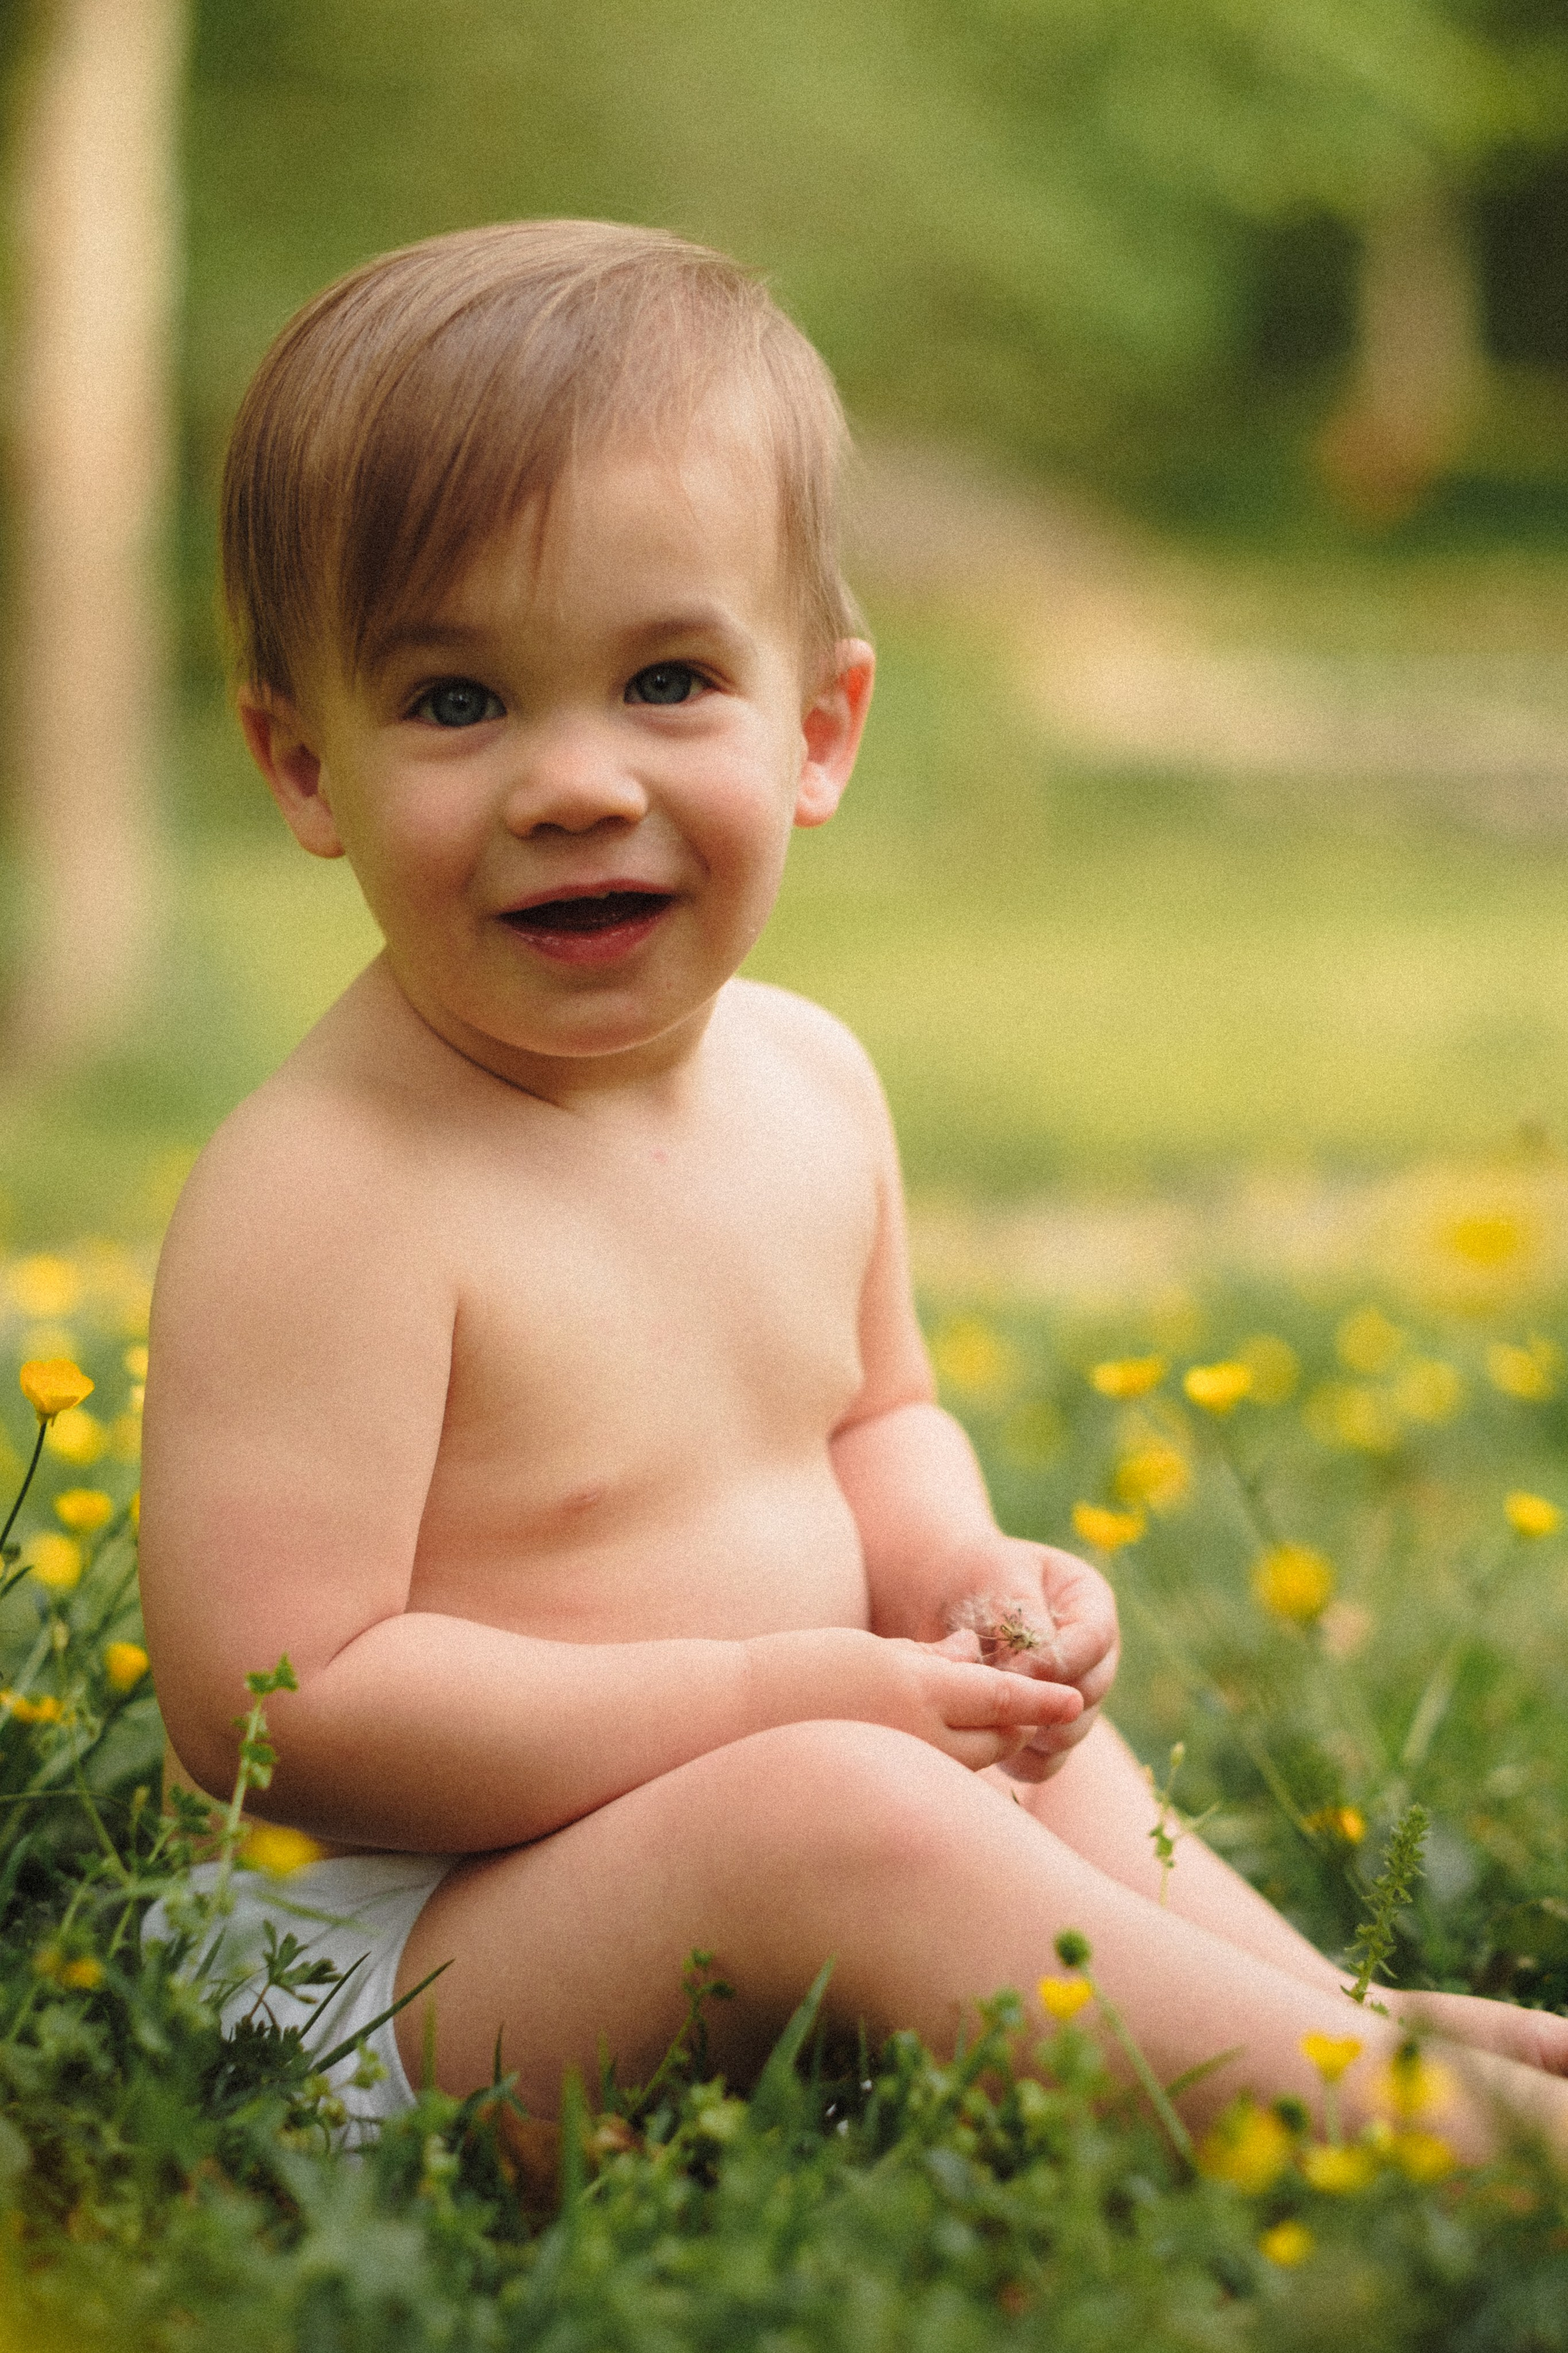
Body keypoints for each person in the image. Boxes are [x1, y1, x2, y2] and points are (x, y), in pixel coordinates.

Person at [138, 220, 1568, 2155]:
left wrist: (969, 1580)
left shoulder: (813, 1084)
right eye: (458, 704)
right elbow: (274, 1713)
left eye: (663, 679)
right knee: (848, 1798)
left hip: (735, 1825)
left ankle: (1315, 2011)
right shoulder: (328, 1190)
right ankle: (1418, 2139)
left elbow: (877, 1418)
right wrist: (760, 1697)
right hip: (385, 1968)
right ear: (305, 768)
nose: (574, 781)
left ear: (818, 729)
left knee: (985, 1724)